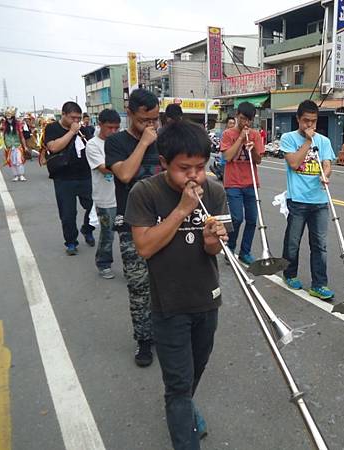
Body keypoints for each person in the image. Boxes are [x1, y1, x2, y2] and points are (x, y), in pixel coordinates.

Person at [125, 120, 230, 449]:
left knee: (193, 374)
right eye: (185, 168)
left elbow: (212, 250)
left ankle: (183, 407)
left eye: (201, 167)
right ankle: (183, 419)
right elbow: (145, 247)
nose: (195, 176)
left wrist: (214, 240)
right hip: (168, 305)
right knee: (178, 385)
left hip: (206, 300)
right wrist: (182, 210)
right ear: (164, 163)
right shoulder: (146, 193)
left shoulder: (214, 192)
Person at [105, 88, 161, 367]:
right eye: (144, 120)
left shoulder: (163, 140)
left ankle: (166, 334)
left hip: (165, 224)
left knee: (167, 284)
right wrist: (144, 143)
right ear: (130, 113)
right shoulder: (115, 142)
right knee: (139, 286)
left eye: (155, 120)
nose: (151, 126)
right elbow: (125, 174)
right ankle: (144, 341)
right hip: (132, 225)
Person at [281, 100, 335, 301]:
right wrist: (308, 142)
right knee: (293, 241)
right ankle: (289, 273)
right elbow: (294, 163)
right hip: (297, 199)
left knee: (320, 244)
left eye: (313, 121)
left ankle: (319, 284)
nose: (309, 126)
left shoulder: (325, 141)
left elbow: (327, 164)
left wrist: (326, 174)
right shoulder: (288, 138)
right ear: (298, 119)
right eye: (305, 121)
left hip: (319, 201)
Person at [44, 102, 95, 255]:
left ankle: (87, 229)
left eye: (78, 118)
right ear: (64, 114)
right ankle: (71, 242)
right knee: (68, 213)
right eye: (73, 117)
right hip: (63, 177)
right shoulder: (52, 128)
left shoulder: (83, 129)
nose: (76, 121)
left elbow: (91, 147)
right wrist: (71, 132)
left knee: (93, 206)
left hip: (85, 175)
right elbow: (53, 147)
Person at [220, 101, 265, 264]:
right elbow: (227, 157)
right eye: (242, 118)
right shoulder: (228, 134)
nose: (245, 123)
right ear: (237, 115)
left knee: (252, 219)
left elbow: (258, 160)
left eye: (248, 120)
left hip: (251, 183)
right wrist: (240, 139)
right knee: (237, 218)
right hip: (233, 183)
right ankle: (230, 247)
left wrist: (252, 150)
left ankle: (245, 251)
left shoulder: (255, 135)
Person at [85, 109, 121, 280]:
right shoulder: (93, 145)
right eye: (110, 128)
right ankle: (103, 263)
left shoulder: (120, 142)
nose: (113, 131)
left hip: (123, 195)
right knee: (108, 233)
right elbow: (103, 168)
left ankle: (132, 266)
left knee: (129, 234)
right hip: (105, 199)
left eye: (116, 128)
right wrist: (126, 166)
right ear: (100, 125)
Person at [1, 108, 28, 181]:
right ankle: (15, 175)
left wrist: (25, 146)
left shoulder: (17, 124)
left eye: (9, 116)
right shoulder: (4, 125)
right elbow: (3, 136)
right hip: (9, 146)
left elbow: (21, 136)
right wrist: (4, 145)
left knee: (19, 160)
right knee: (12, 161)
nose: (8, 118)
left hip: (17, 145)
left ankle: (21, 175)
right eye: (7, 117)